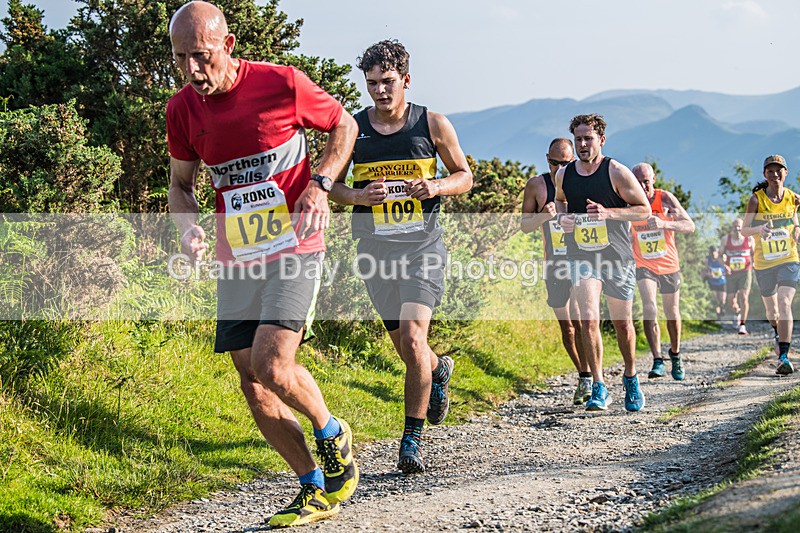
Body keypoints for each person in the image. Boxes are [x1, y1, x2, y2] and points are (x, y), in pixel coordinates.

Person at [166, 2, 359, 527]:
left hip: (295, 244)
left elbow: (343, 126)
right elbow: (180, 187)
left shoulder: (281, 84)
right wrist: (188, 226)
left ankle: (331, 432)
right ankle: (312, 487)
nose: (192, 72)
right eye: (181, 59)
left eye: (201, 57)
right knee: (253, 384)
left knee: (272, 365)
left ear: (227, 45)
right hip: (237, 256)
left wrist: (320, 185)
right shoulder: (182, 110)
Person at [329, 40, 472, 474]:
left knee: (412, 338)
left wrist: (436, 187)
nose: (380, 91)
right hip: (375, 250)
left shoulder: (432, 123)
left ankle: (410, 440)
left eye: (388, 82)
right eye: (371, 83)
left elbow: (464, 176)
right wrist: (358, 194)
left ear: (406, 80)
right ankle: (438, 369)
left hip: (424, 248)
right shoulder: (353, 129)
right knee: (411, 351)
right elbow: (328, 184)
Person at [555, 114, 651, 412]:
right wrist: (563, 218)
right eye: (578, 139)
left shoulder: (617, 172)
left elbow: (643, 210)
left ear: (601, 140)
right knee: (588, 318)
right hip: (582, 255)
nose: (583, 144)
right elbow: (560, 201)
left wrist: (609, 213)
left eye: (588, 138)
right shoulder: (564, 174)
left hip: (617, 257)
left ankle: (631, 376)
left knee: (623, 324)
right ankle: (598, 385)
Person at [522, 138, 591, 405]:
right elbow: (525, 225)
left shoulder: (582, 182)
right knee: (568, 328)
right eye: (554, 163)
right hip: (554, 264)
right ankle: (583, 373)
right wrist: (544, 216)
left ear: (574, 160)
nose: (559, 168)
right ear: (546, 160)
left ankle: (593, 378)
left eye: (566, 163)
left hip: (580, 260)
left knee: (581, 319)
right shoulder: (537, 186)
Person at [630, 163, 695, 381]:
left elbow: (689, 225)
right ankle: (657, 359)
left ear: (654, 179)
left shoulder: (665, 198)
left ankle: (675, 355)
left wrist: (664, 224)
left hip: (668, 264)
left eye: (646, 181)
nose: (642, 186)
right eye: (637, 182)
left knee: (672, 312)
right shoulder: (629, 203)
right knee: (649, 307)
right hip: (643, 264)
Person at [742, 155, 800, 375]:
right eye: (770, 171)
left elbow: (794, 219)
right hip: (764, 261)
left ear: (786, 173)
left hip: (789, 258)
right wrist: (759, 230)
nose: (775, 174)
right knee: (772, 311)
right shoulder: (756, 200)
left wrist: (797, 228)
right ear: (764, 174)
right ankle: (778, 332)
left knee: (785, 303)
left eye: (779, 170)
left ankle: (784, 356)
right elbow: (745, 229)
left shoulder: (793, 198)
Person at [721, 218, 755, 335]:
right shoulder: (726, 239)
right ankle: (737, 312)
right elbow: (720, 255)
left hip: (745, 271)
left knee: (744, 297)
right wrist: (724, 265)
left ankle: (742, 325)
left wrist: (755, 263)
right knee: (730, 301)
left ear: (742, 227)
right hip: (731, 273)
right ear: (732, 228)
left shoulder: (749, 239)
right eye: (735, 226)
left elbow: (754, 254)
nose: (737, 229)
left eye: (739, 226)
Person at [703, 246, 727, 318]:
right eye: (712, 253)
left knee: (722, 300)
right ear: (710, 253)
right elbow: (705, 270)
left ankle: (722, 308)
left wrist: (723, 273)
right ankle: (718, 315)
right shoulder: (708, 260)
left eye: (715, 253)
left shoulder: (720, 259)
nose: (713, 254)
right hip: (712, 282)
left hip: (722, 281)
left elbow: (726, 269)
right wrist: (708, 275)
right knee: (715, 299)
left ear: (717, 252)